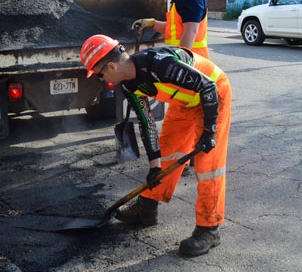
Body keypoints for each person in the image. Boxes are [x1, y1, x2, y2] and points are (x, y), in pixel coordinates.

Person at [80, 34, 232, 257]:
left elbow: (206, 86)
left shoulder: (159, 64)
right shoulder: (130, 86)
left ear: (111, 66)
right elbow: (146, 123)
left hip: (214, 96)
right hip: (185, 103)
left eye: (100, 74)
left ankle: (209, 229)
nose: (102, 80)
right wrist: (154, 167)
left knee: (208, 166)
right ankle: (147, 209)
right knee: (168, 150)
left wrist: (209, 131)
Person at [131, 0, 209, 175]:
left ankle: (190, 158)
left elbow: (190, 33)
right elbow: (176, 28)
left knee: (188, 114)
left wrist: (178, 66)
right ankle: (185, 159)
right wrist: (152, 23)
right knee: (186, 113)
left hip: (191, 65)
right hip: (184, 65)